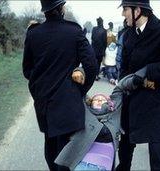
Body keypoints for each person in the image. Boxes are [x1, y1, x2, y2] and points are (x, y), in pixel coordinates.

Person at [22, 0, 98, 170]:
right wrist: (79, 90)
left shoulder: (33, 34)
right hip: (69, 103)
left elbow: (27, 71)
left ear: (44, 11)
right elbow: (92, 65)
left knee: (51, 147)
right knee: (68, 153)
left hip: (44, 104)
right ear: (61, 8)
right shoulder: (74, 31)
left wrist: (40, 86)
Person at [116, 0, 160, 170]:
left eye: (125, 9)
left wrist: (148, 71)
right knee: (125, 146)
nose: (123, 14)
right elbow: (124, 66)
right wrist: (126, 82)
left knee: (156, 149)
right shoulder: (128, 34)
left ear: (137, 10)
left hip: (157, 100)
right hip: (132, 98)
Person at [54, 67, 147, 170]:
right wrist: (80, 71)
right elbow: (78, 89)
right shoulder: (85, 110)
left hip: (104, 165)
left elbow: (120, 87)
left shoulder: (114, 111)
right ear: (90, 103)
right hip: (82, 163)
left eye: (102, 99)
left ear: (108, 102)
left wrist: (137, 79)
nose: (99, 100)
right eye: (96, 99)